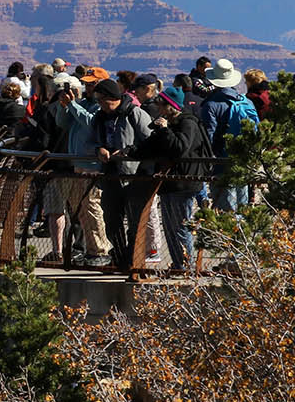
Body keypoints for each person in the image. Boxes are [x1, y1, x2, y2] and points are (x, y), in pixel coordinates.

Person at [130, 92, 210, 272]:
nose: (158, 109)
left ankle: (186, 266)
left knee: (181, 225)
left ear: (171, 106)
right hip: (168, 183)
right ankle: (178, 264)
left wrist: (165, 130)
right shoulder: (168, 124)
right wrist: (129, 151)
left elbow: (180, 149)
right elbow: (150, 146)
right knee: (169, 228)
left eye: (161, 105)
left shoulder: (188, 123)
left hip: (184, 182)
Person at [42, 74, 110, 263]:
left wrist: (72, 105)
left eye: (91, 84)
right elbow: (62, 123)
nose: (88, 88)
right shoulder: (84, 104)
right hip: (78, 165)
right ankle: (90, 249)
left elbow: (90, 123)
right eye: (86, 84)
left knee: (92, 208)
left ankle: (100, 250)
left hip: (92, 165)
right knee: (81, 210)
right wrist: (65, 106)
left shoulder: (100, 107)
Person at [93, 77, 153, 271]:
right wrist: (99, 149)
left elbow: (150, 140)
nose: (101, 104)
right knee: (111, 218)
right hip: (109, 175)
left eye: (103, 100)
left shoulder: (134, 114)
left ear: (113, 97)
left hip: (133, 176)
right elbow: (92, 140)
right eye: (99, 100)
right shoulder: (99, 117)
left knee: (135, 220)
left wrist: (129, 151)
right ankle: (118, 258)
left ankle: (133, 259)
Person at [198, 57, 259, 211]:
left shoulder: (211, 105)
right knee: (242, 204)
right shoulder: (246, 102)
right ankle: (242, 234)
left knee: (225, 208)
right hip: (243, 161)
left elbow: (209, 136)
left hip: (221, 163)